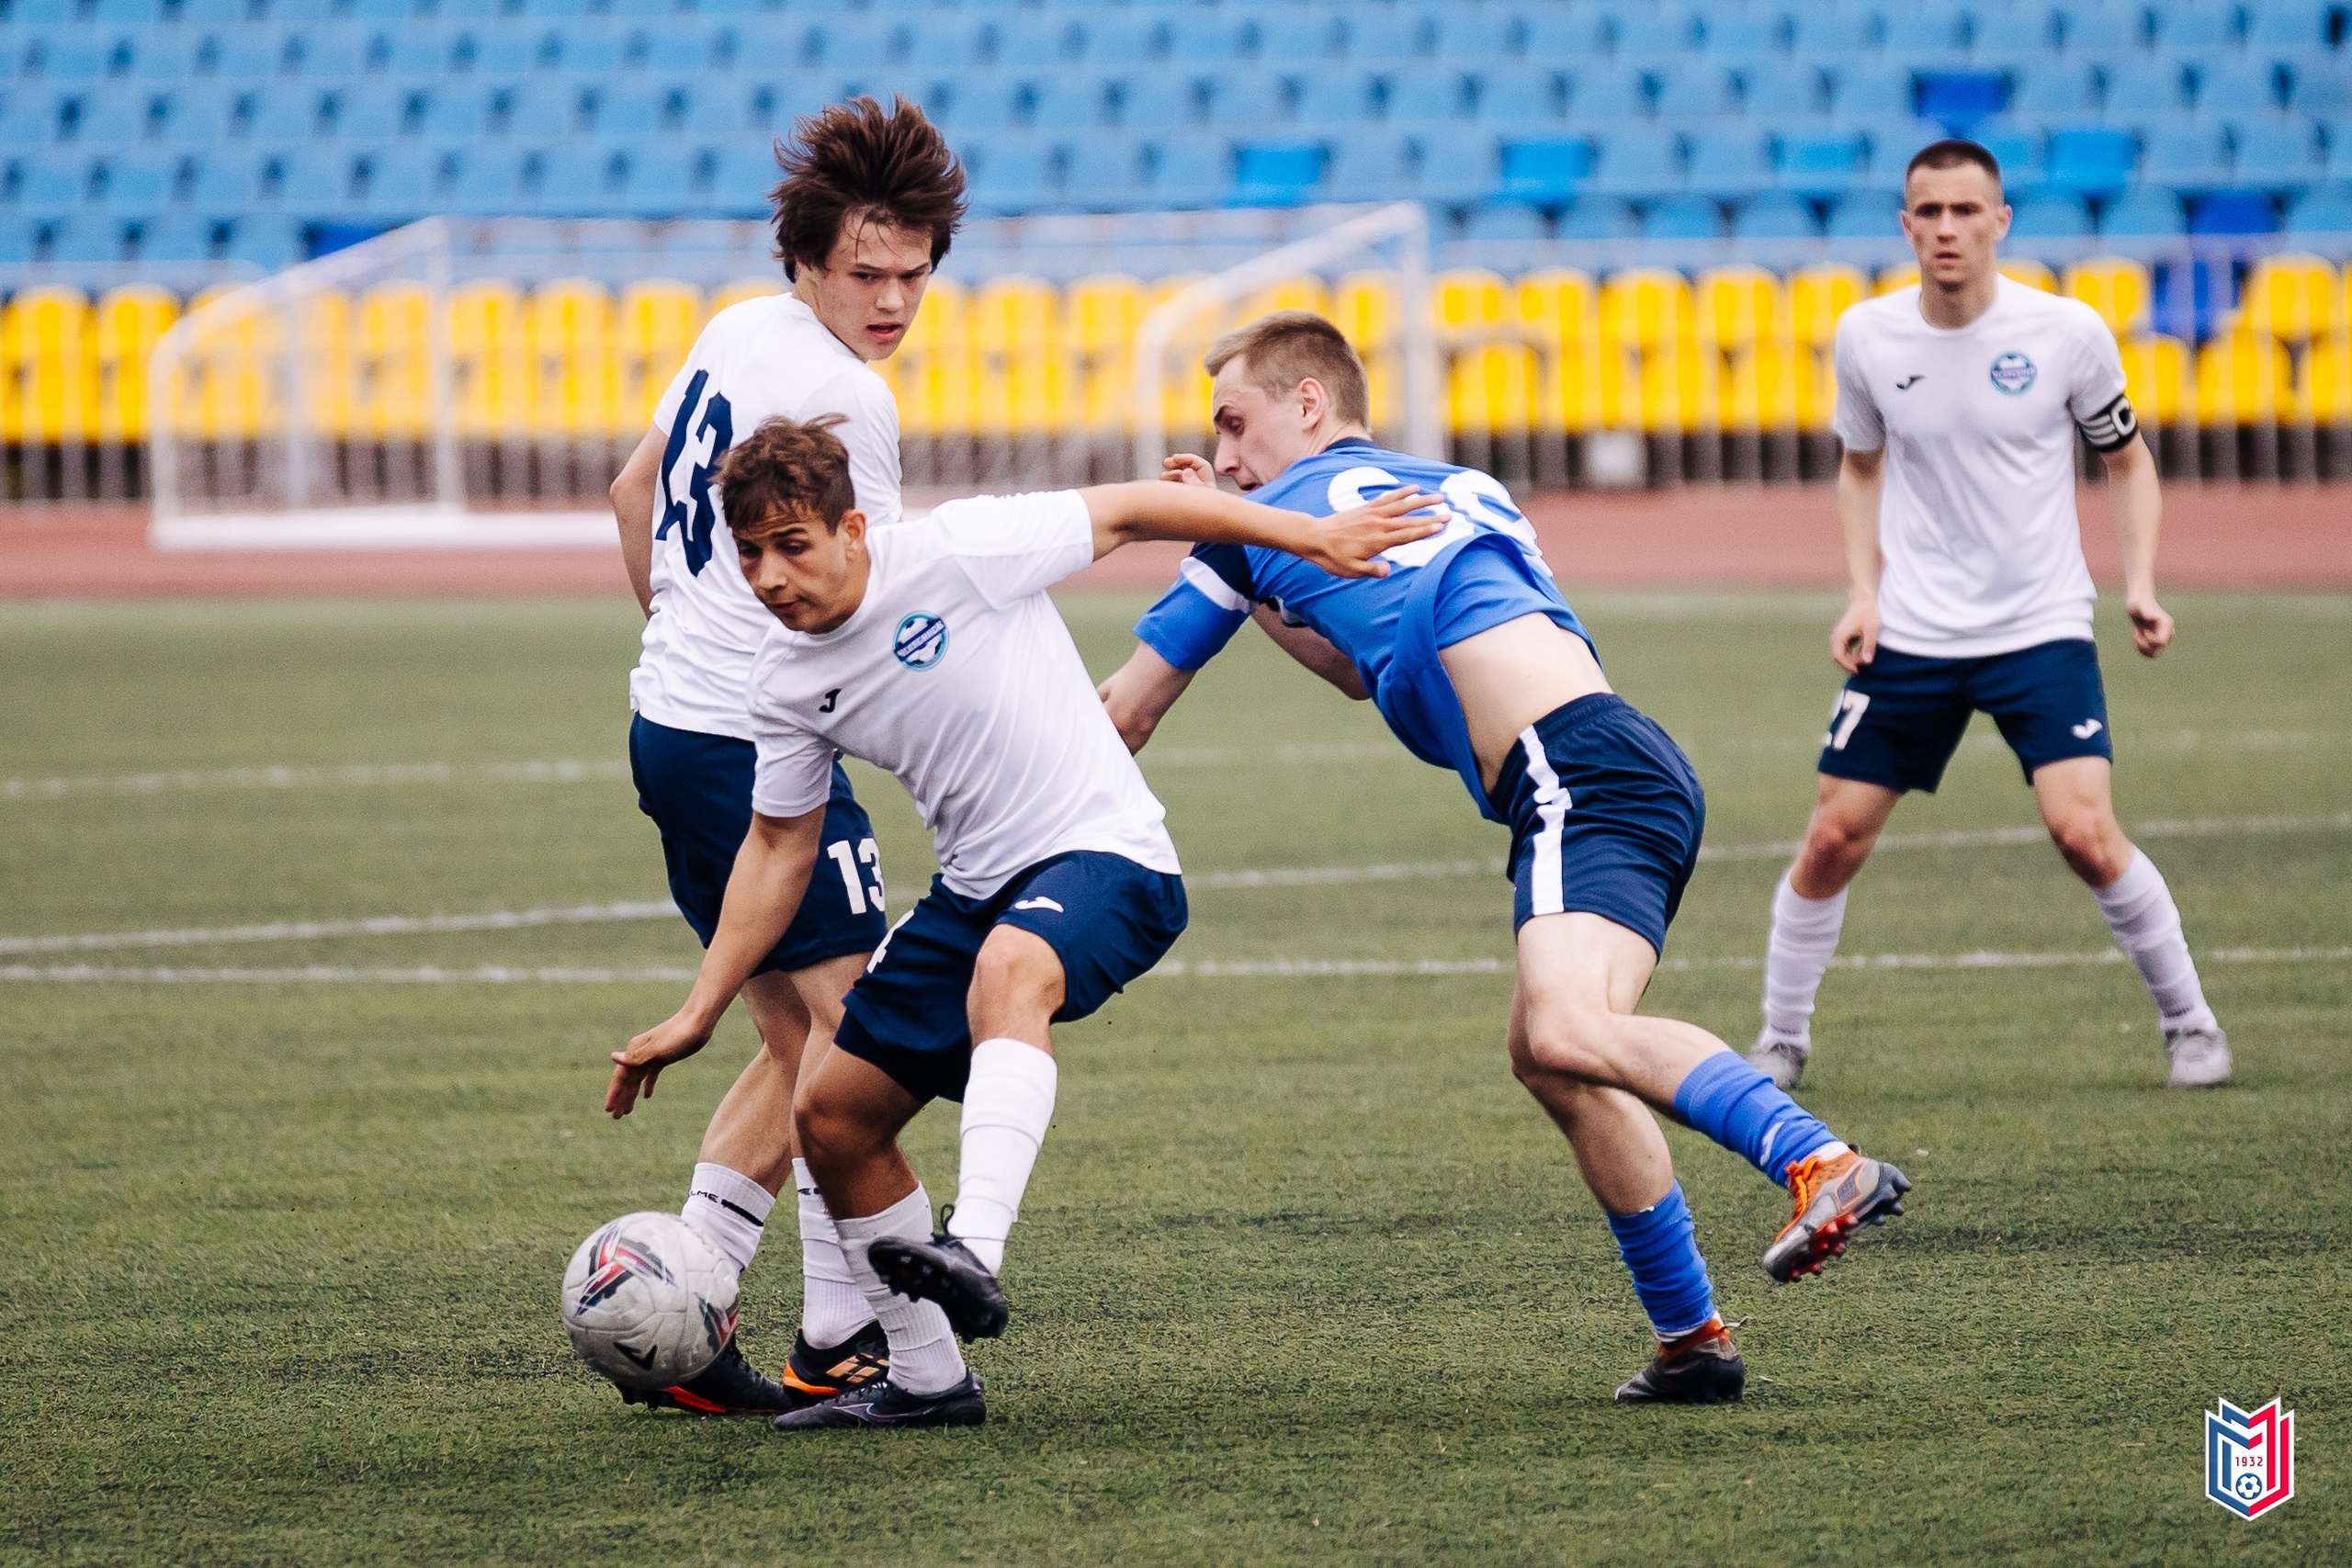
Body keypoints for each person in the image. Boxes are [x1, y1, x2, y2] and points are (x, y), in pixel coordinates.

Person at [1095, 311, 1914, 1405]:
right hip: (1612, 759)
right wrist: (1247, 554)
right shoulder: (1441, 485)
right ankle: (1693, 1340)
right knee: (1550, 1050)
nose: (1228, 456)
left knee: (1571, 1029)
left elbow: (1125, 712)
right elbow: (1355, 662)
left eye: (1236, 424)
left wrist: (1213, 532)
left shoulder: (1254, 517)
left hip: (1568, 769)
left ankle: (1822, 1163)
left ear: (1308, 404)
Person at [608, 414, 1441, 1431]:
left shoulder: (962, 551)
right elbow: (778, 848)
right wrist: (699, 1006)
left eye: (793, 545)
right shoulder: (782, 680)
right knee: (831, 1116)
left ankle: (976, 1248)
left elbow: (1133, 509)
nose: (772, 576)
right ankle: (926, 1382)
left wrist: (1303, 535)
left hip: (1108, 856)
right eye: (749, 555)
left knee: (1011, 969)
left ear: (854, 530)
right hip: (972, 890)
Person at [601, 96, 964, 1416]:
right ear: (804, 260)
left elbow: (630, 494)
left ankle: (683, 1308)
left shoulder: (735, 330)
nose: (892, 299)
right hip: (749, 740)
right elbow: (872, 600)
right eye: (864, 272)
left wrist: (680, 630)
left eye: (915, 272)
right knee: (857, 1042)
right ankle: (839, 1335)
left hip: (675, 724)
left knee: (794, 1034)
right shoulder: (847, 398)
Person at [1747, 140, 2229, 1094]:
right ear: (1905, 224)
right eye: (1928, 212)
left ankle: (2191, 1025)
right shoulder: (1868, 337)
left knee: (2082, 831)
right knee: (1832, 836)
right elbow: (1858, 466)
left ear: (1999, 222)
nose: (1946, 229)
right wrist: (1862, 590)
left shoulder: (2066, 333)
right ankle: (1778, 1037)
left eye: (1966, 211)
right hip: (1914, 632)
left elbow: (2124, 459)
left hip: (2038, 625)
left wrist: (2139, 580)